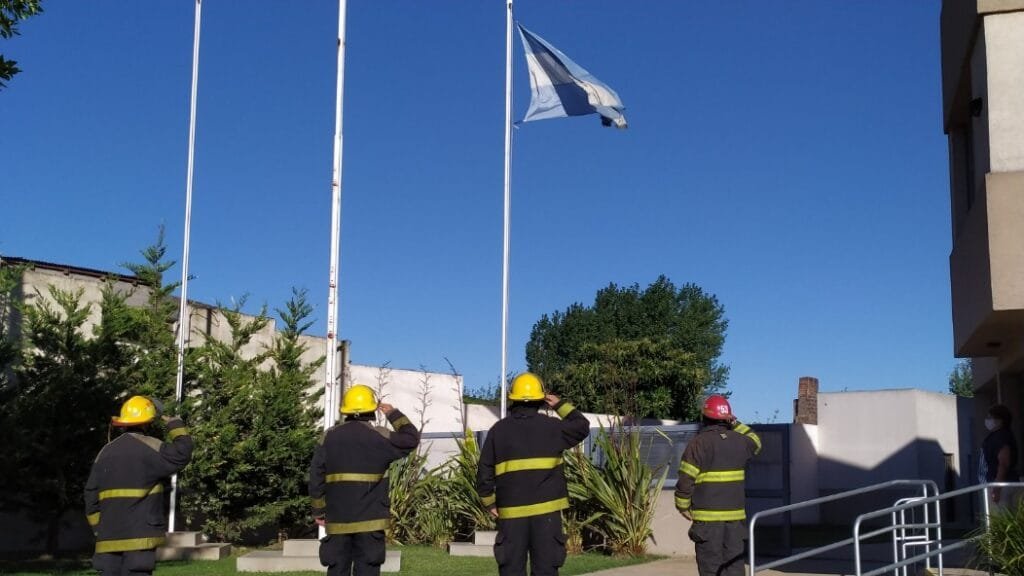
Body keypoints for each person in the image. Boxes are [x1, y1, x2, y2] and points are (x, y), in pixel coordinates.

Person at [476, 372, 590, 576]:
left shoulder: (498, 430)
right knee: (546, 569)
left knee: (511, 569)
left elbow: (485, 469)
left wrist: (489, 502)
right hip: (547, 515)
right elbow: (582, 426)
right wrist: (559, 404)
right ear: (541, 400)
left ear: (512, 399)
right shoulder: (553, 428)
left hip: (511, 514)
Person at [309, 384, 419, 576]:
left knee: (337, 569)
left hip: (338, 519)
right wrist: (392, 413)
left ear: (345, 411)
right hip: (371, 521)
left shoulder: (328, 437)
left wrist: (318, 511)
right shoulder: (380, 436)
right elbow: (411, 439)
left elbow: (316, 475)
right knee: (368, 569)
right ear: (372, 410)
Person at [84, 396, 193, 576]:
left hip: (108, 537)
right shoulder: (151, 447)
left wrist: (98, 528)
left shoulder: (104, 452)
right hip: (140, 538)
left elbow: (90, 495)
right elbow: (182, 453)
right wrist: (175, 425)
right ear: (147, 423)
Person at [674, 395, 761, 576]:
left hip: (707, 522)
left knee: (711, 568)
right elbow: (756, 441)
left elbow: (686, 479)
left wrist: (682, 506)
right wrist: (735, 423)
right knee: (734, 567)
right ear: (727, 418)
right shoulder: (740, 441)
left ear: (705, 417)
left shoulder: (698, 443)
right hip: (735, 520)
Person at [979, 404, 1019, 507]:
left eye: (990, 417)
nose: (987, 420)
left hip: (1001, 487)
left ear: (1000, 420)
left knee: (999, 514)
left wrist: (997, 488)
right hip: (997, 485)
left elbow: (1003, 463)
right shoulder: (996, 436)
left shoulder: (1001, 437)